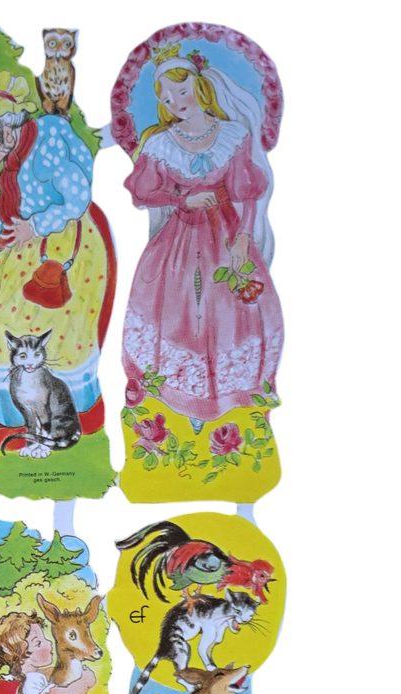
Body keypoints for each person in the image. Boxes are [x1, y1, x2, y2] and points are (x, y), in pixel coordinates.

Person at [0, 71, 115, 453]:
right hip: (26, 247)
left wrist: (33, 227)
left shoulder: (47, 144)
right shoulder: (16, 160)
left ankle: (42, 420)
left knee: (19, 325)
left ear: (6, 128)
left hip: (62, 248)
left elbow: (76, 199)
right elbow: (13, 213)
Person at [121, 49, 283, 427]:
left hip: (225, 234)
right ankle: (186, 397)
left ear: (200, 86)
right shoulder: (161, 143)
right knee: (181, 312)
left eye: (181, 91)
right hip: (178, 242)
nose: (175, 102)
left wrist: (243, 237)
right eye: (165, 98)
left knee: (226, 310)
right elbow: (143, 194)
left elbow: (248, 193)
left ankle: (224, 396)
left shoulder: (232, 135)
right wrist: (182, 199)